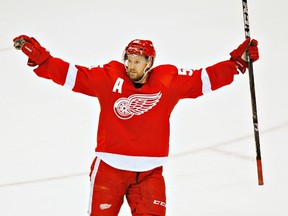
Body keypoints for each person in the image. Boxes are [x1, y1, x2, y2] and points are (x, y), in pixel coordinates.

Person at [13, 35, 259, 216]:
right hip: (109, 170)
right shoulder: (109, 77)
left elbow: (205, 79)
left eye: (137, 61)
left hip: (150, 173)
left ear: (149, 62)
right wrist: (42, 60)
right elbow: (73, 76)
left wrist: (237, 63)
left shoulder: (168, 80)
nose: (131, 66)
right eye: (129, 60)